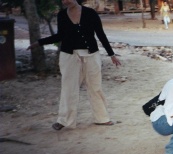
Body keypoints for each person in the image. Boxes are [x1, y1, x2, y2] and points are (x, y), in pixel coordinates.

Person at [27, 0, 121, 131]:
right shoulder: (62, 15)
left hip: (91, 55)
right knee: (68, 88)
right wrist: (39, 42)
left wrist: (111, 54)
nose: (65, 1)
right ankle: (64, 120)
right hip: (69, 56)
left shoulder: (90, 13)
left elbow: (100, 34)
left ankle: (102, 118)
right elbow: (60, 35)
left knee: (95, 86)